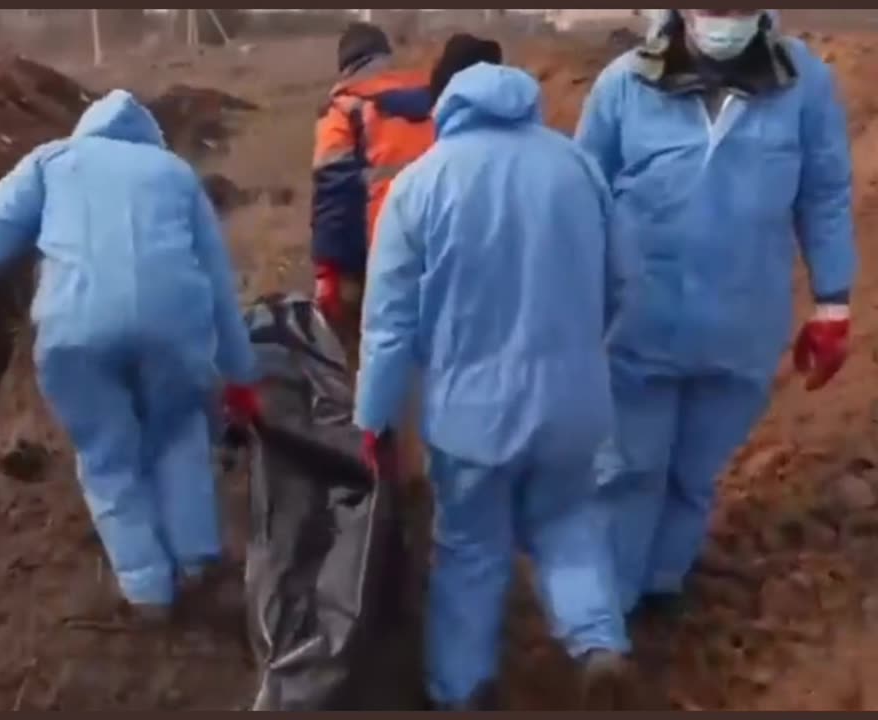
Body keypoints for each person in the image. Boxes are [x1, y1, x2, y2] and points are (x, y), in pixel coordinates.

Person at [0, 89, 261, 623]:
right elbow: (217, 282)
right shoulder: (176, 174)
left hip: (75, 330)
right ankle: (197, 562)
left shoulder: (51, 163)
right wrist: (241, 376)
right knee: (179, 433)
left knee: (107, 455)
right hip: (174, 326)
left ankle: (148, 592)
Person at [354, 51, 636, 710]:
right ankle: (598, 646)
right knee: (568, 524)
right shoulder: (576, 167)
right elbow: (624, 278)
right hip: (572, 404)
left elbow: (389, 326)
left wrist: (374, 419)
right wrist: (583, 343)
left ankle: (461, 690)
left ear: (444, 106)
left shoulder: (421, 184)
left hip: (472, 416)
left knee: (470, 550)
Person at [576, 9, 856, 623]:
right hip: (637, 323)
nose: (723, 19)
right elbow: (579, 194)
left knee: (694, 474)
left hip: (741, 324)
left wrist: (833, 301)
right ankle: (607, 612)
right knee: (627, 468)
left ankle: (662, 588)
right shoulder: (625, 85)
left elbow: (826, 192)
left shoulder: (803, 85)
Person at [310, 21, 433, 369]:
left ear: (347, 65)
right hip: (442, 243)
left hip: (383, 253)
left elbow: (333, 193)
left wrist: (328, 270)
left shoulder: (345, 110)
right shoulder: (433, 99)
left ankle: (376, 416)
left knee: (371, 353)